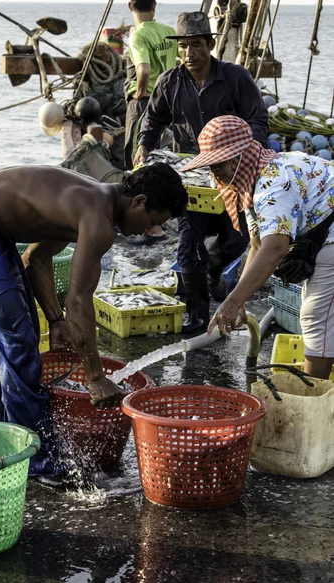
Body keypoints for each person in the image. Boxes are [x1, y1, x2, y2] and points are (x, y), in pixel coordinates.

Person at [0, 164, 188, 486]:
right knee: (18, 343)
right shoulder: (97, 219)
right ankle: (37, 462)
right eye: (153, 221)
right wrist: (96, 377)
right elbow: (79, 300)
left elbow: (37, 259)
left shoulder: (95, 202)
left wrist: (55, 320)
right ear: (139, 201)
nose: (147, 230)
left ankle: (10, 433)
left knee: (11, 338)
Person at [133, 11, 269, 334]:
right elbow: (152, 120)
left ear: (210, 44)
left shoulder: (236, 78)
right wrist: (143, 146)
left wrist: (242, 154)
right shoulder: (169, 82)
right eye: (183, 47)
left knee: (237, 240)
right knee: (189, 243)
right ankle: (197, 315)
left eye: (196, 45)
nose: (189, 53)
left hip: (233, 177)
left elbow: (259, 121)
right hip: (193, 180)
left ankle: (213, 273)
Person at [182, 115, 334, 380]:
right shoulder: (254, 179)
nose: (212, 171)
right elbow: (258, 243)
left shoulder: (272, 184)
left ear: (236, 158)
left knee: (315, 317)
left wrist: (232, 302)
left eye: (216, 163)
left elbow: (275, 249)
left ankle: (314, 398)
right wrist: (240, 298)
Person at [124, 0, 177, 246]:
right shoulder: (168, 32)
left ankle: (150, 227)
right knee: (158, 160)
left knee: (138, 160)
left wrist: (139, 92)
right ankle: (158, 222)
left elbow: (143, 69)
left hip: (145, 102)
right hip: (167, 102)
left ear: (129, 6)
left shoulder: (138, 36)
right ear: (154, 5)